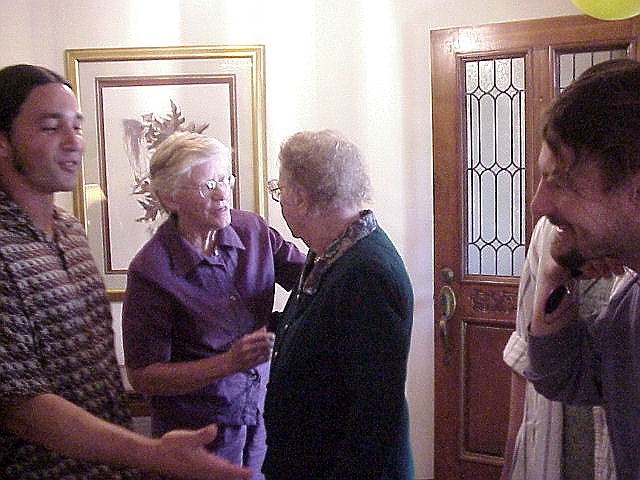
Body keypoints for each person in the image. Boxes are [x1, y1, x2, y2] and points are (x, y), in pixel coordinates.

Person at [0, 63, 251, 479]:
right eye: (50, 127)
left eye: (77, 126)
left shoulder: (69, 232)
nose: (73, 142)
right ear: (3, 141)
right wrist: (150, 453)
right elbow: (21, 407)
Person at [121, 131, 305, 480]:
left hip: (261, 421)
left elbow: (312, 277)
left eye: (225, 179)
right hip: (199, 439)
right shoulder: (151, 271)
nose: (223, 194)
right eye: (208, 185)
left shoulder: (252, 230)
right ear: (170, 198)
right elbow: (144, 377)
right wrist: (227, 363)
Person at [262, 129, 415, 480]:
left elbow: (374, 416)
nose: (280, 202)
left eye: (279, 191)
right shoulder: (329, 251)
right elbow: (318, 335)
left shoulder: (367, 272)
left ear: (301, 198)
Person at [525, 58, 640, 480]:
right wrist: (556, 272)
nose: (539, 204)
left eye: (561, 181)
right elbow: (563, 375)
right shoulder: (630, 305)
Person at [501, 216, 619, 480]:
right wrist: (510, 463)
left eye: (558, 178)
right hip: (546, 461)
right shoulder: (550, 231)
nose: (538, 206)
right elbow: (522, 356)